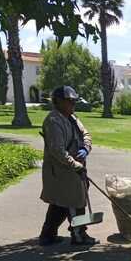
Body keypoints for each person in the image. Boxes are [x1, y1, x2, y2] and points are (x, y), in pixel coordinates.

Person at [38, 86, 99, 246]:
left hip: (74, 169)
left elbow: (85, 134)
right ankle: (79, 235)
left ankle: (47, 235)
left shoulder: (73, 117)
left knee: (60, 204)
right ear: (58, 102)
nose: (73, 104)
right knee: (75, 204)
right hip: (62, 171)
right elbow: (57, 150)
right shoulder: (53, 121)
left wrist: (85, 148)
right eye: (69, 101)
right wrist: (75, 165)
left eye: (73, 101)